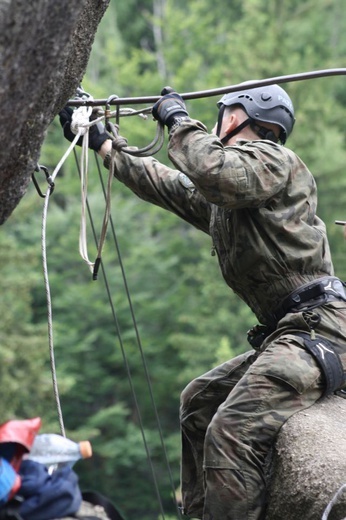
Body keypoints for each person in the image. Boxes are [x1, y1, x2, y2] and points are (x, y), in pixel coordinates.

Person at [60, 84, 346, 520]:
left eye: (222, 114)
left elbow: (213, 169)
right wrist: (102, 143)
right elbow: (171, 185)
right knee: (198, 401)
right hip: (295, 330)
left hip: (321, 328)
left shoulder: (273, 160)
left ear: (235, 118)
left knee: (234, 429)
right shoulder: (235, 199)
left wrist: (177, 120)